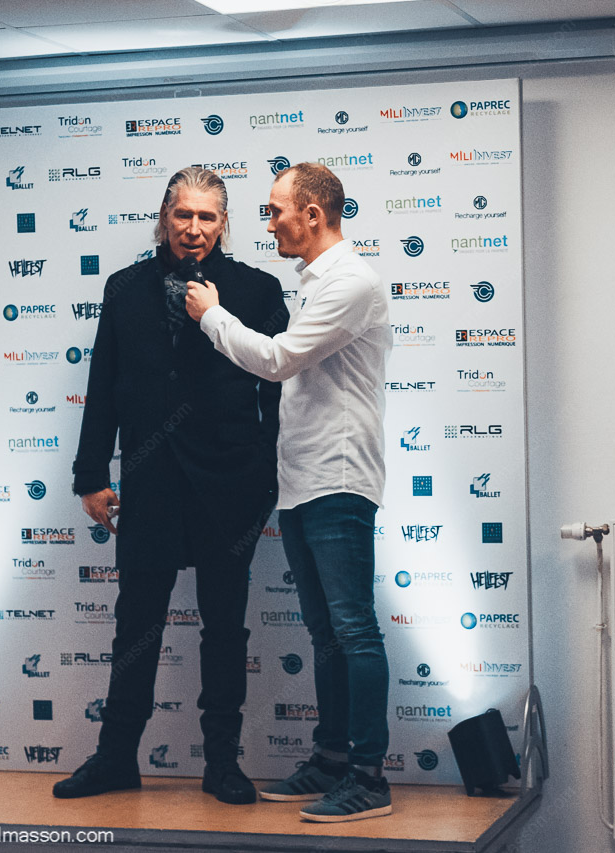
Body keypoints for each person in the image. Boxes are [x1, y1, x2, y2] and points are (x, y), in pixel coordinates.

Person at [53, 166, 289, 806]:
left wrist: (267, 475)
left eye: (207, 217)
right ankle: (115, 759)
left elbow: (282, 391)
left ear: (224, 223)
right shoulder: (124, 288)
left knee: (225, 628)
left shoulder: (258, 288)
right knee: (136, 626)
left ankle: (223, 764)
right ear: (165, 217)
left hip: (229, 485)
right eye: (183, 214)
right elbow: (104, 382)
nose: (193, 228)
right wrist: (90, 475)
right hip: (150, 479)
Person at [185, 162, 392, 822]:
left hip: (338, 478)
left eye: (276, 210)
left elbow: (277, 362)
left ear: (313, 214)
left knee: (353, 630)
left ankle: (368, 776)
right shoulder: (318, 281)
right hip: (304, 481)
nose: (269, 222)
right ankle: (331, 758)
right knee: (327, 632)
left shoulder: (352, 282)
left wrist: (212, 315)